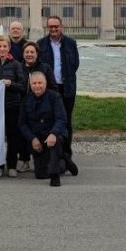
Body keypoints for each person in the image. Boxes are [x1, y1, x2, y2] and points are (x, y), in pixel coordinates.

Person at [19, 71, 77, 187]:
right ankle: (64, 161)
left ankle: (55, 177)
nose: (37, 86)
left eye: (40, 83)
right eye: (34, 83)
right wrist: (33, 139)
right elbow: (22, 124)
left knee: (54, 145)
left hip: (55, 135)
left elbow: (62, 119)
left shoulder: (55, 97)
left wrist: (53, 133)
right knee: (40, 174)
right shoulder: (26, 100)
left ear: (45, 84)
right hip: (38, 137)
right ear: (30, 85)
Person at [37, 16, 80, 157]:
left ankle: (66, 153)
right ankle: (49, 153)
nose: (54, 29)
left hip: (67, 88)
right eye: (51, 26)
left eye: (56, 26)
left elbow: (75, 64)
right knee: (48, 120)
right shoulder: (41, 44)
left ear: (61, 26)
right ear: (47, 27)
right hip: (49, 89)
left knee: (66, 120)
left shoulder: (70, 43)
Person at [0, 35, 25, 178]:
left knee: (12, 137)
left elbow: (22, 86)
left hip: (12, 105)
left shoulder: (16, 64)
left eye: (5, 46)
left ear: (9, 48)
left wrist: (10, 84)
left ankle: (12, 165)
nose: (2, 49)